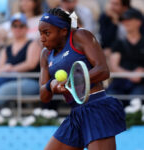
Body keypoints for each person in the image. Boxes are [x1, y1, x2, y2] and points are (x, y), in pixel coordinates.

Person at [39, 8, 126, 150]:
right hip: (75, 114)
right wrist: (51, 85)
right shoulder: (45, 54)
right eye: (40, 33)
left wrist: (72, 81)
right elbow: (43, 96)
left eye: (47, 33)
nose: (42, 38)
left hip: (96, 108)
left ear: (63, 31)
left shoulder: (81, 35)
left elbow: (103, 70)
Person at [0, 13, 41, 108]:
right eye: (15, 26)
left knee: (5, 90)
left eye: (21, 26)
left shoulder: (32, 44)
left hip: (29, 80)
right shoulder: (7, 48)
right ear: (11, 28)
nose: (18, 29)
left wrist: (11, 68)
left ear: (26, 28)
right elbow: (0, 69)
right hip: (8, 80)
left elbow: (31, 64)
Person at [107, 8, 144, 98]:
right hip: (119, 84)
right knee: (111, 99)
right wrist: (132, 75)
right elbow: (113, 67)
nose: (126, 22)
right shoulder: (118, 43)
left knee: (137, 99)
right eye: (124, 20)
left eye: (129, 19)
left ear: (139, 22)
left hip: (140, 85)